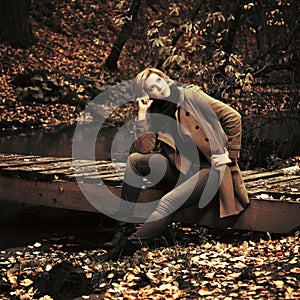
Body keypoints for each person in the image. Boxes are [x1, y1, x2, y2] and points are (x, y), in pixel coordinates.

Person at [99, 68, 249, 261]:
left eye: (158, 82)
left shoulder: (191, 95)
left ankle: (129, 246)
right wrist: (142, 114)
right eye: (151, 88)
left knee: (167, 203)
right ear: (146, 94)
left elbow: (233, 117)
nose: (158, 88)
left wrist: (230, 155)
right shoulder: (156, 110)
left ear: (165, 78)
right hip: (179, 170)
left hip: (210, 171)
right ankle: (123, 227)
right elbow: (145, 149)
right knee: (135, 160)